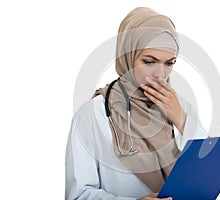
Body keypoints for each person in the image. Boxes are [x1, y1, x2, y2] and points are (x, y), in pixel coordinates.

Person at [65, 7, 207, 200]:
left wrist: (182, 120)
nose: (160, 74)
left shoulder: (179, 107)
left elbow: (206, 169)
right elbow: (78, 195)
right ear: (127, 56)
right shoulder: (92, 114)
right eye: (149, 61)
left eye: (169, 63)